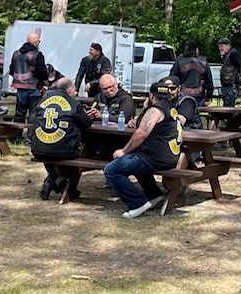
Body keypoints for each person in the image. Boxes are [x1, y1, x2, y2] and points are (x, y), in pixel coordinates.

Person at [104, 76, 184, 218]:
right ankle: (155, 195)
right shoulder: (170, 108)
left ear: (151, 95)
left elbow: (141, 133)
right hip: (170, 157)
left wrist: (124, 151)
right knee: (137, 165)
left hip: (155, 158)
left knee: (111, 170)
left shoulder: (155, 109)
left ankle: (137, 203)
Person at [27, 77, 94, 200]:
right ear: (69, 91)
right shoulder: (73, 103)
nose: (76, 93)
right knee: (75, 162)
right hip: (65, 151)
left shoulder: (42, 101)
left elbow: (32, 119)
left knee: (50, 153)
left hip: (38, 149)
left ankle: (52, 179)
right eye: (75, 90)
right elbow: (87, 123)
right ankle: (56, 183)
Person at [10, 28, 48, 139]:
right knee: (33, 113)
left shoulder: (16, 54)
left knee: (19, 113)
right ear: (35, 42)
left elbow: (11, 69)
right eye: (38, 41)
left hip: (19, 87)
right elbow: (42, 72)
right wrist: (45, 83)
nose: (39, 43)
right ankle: (30, 138)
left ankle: (15, 136)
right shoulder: (37, 54)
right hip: (34, 87)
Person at [217, 36, 241, 108]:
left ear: (228, 45)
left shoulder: (234, 54)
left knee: (229, 109)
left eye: (222, 46)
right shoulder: (226, 55)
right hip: (227, 87)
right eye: (219, 47)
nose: (220, 48)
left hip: (231, 88)